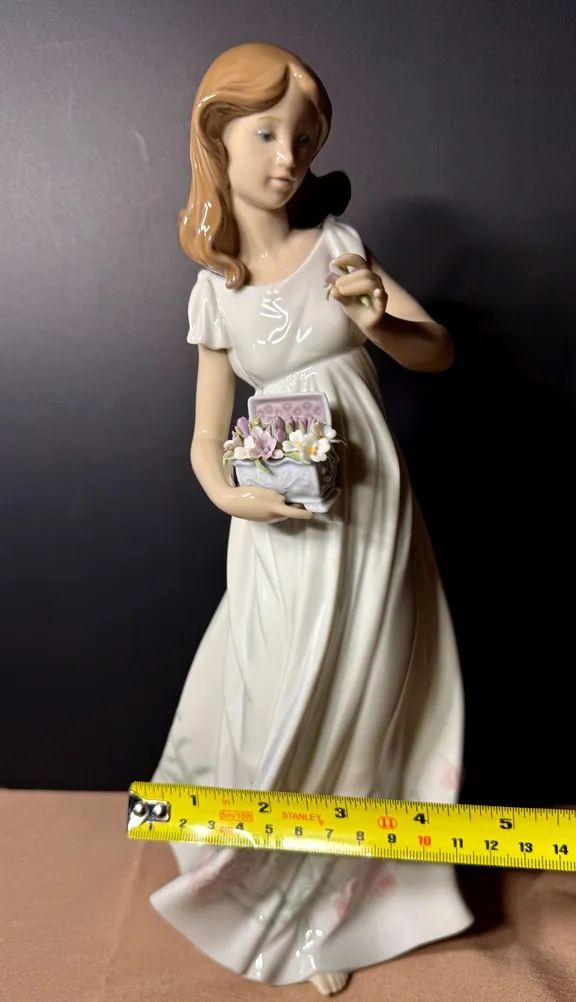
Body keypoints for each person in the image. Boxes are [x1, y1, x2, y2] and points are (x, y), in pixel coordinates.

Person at [150, 41, 473, 996]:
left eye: (303, 138)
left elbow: (437, 351)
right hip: (277, 519)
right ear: (217, 137)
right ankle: (267, 890)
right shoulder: (216, 294)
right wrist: (229, 496)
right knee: (274, 688)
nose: (288, 157)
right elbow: (206, 437)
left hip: (370, 519)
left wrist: (379, 319)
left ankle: (333, 907)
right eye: (266, 133)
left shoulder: (340, 247)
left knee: (365, 690)